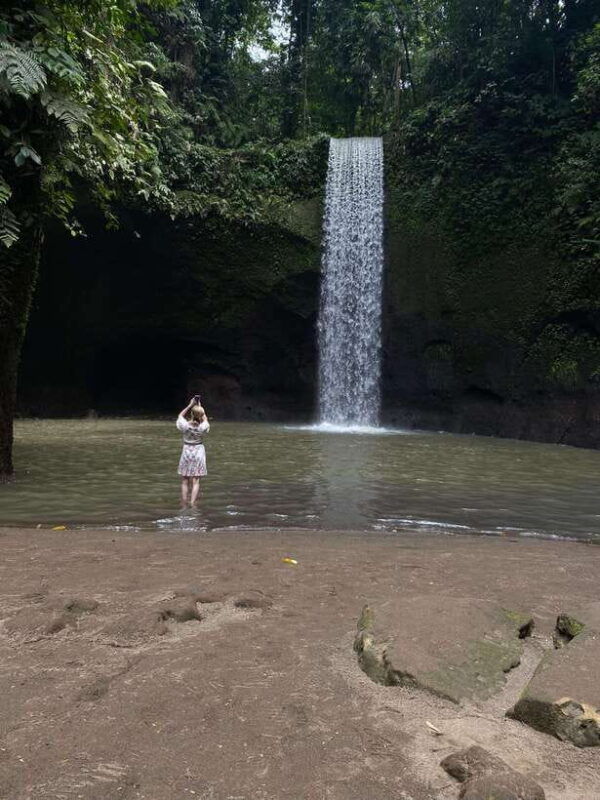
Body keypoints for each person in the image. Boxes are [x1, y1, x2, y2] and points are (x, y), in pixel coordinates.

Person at [176, 396, 210, 507]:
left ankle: (184, 503)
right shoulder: (202, 427)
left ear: (191, 414)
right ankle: (193, 504)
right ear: (201, 415)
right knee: (196, 481)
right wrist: (200, 407)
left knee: (185, 480)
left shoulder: (185, 426)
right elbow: (205, 420)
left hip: (187, 451)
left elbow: (180, 416)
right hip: (198, 451)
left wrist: (190, 405)